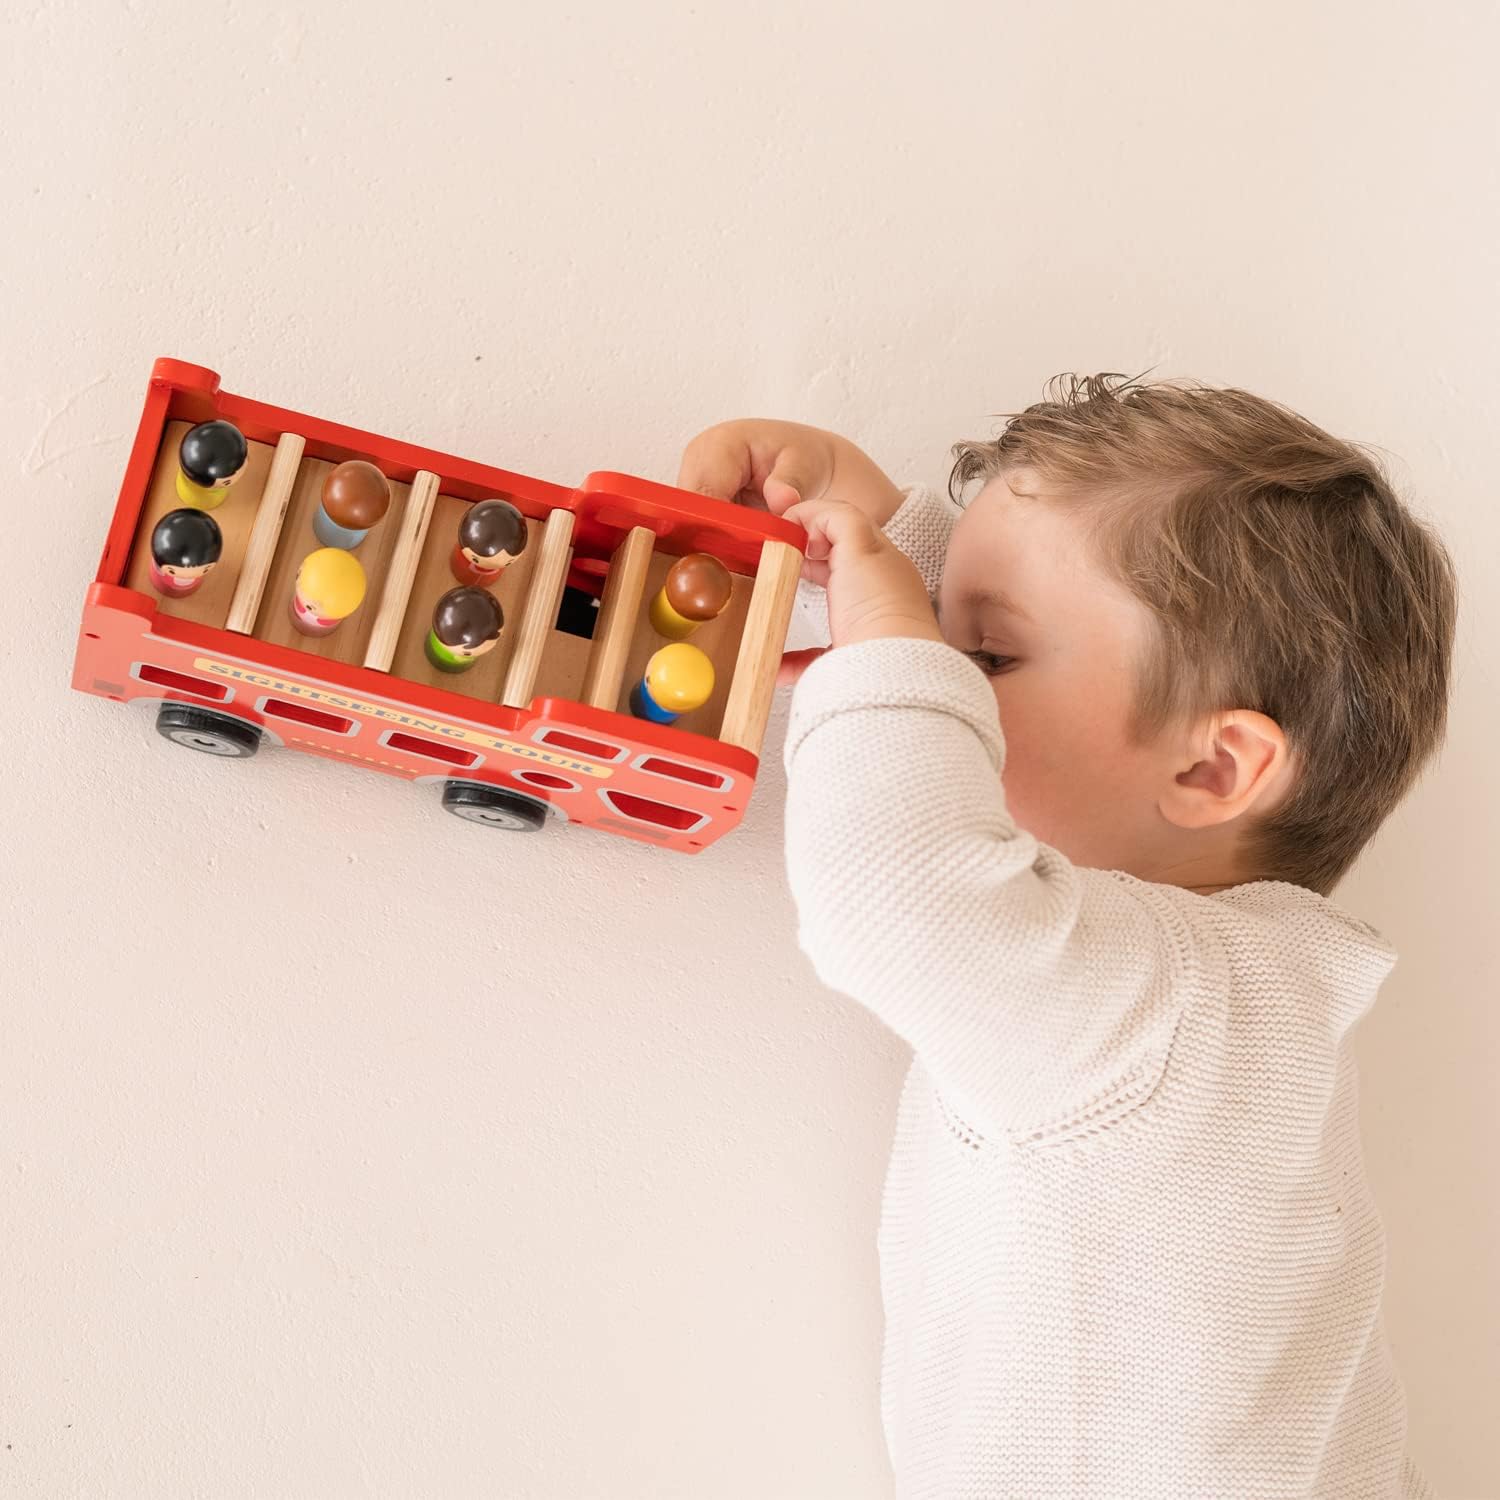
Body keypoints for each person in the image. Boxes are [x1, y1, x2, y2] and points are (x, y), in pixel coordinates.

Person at [677, 374, 1457, 1498]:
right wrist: (893, 536)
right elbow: (1070, 642)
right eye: (949, 640)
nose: (945, 666)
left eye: (978, 656)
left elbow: (898, 893)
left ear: (1210, 770)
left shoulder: (1151, 1011)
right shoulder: (1239, 998)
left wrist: (888, 641)